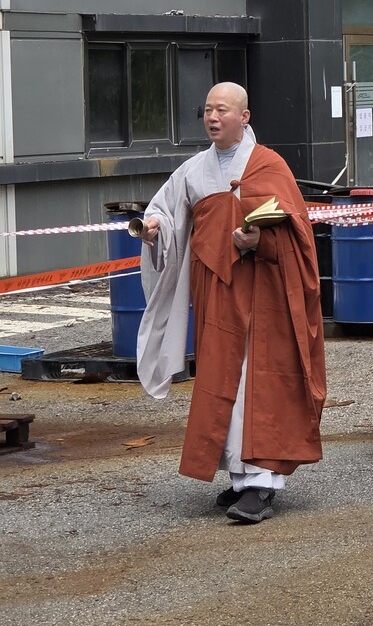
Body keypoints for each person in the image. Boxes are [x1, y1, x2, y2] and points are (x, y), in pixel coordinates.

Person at [135, 83, 326, 525]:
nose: (212, 117)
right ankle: (240, 476)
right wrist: (153, 228)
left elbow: (299, 237)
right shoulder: (194, 169)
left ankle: (262, 481)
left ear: (245, 116)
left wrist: (262, 240)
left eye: (222, 109)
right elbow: (167, 212)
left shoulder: (269, 166)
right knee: (223, 380)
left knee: (258, 381)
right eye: (207, 110)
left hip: (265, 295)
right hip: (216, 292)